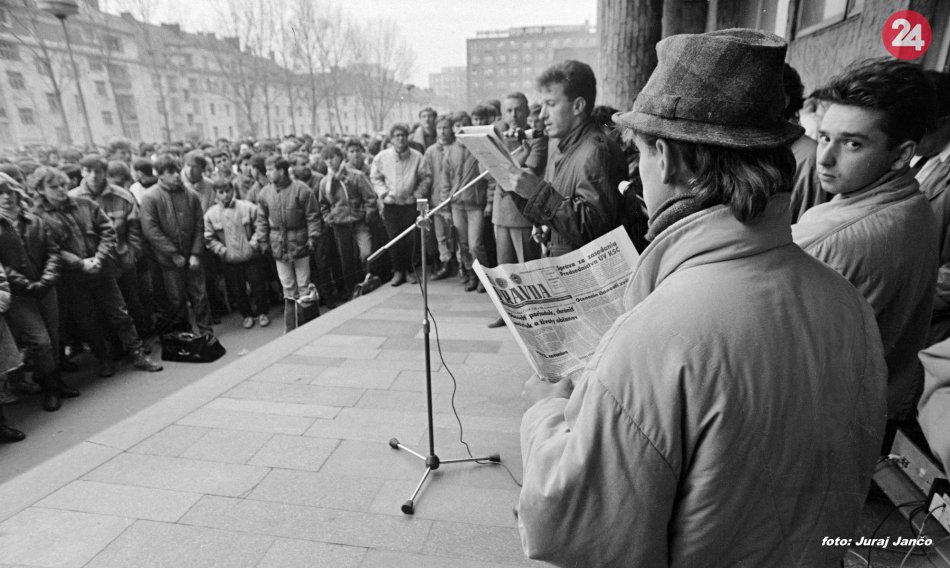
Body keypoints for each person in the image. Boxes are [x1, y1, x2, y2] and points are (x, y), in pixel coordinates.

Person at [517, 29, 886, 567]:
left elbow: (568, 525)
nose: (638, 177)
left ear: (665, 158)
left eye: (640, 156)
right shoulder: (847, 302)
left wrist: (543, 415)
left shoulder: (656, 336)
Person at [792, 58, 938, 433]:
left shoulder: (833, 238)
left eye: (852, 144)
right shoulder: (914, 203)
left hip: (822, 423)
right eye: (824, 137)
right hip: (873, 410)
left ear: (901, 155)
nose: (825, 158)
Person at [32, 167, 162, 377]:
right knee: (87, 321)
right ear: (40, 190)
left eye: (63, 185)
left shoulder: (85, 204)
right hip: (73, 278)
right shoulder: (38, 217)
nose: (61, 190)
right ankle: (104, 359)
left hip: (102, 270)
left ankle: (138, 353)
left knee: (120, 313)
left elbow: (107, 231)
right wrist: (79, 263)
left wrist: (100, 257)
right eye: (53, 187)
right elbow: (50, 248)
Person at [500, 60, 627, 257]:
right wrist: (547, 227)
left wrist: (536, 193)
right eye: (542, 105)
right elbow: (565, 213)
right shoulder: (564, 148)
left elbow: (597, 232)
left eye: (550, 104)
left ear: (578, 106)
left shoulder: (596, 151)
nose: (542, 115)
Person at [0, 180, 77, 411]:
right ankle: (49, 388)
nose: (6, 197)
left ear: (17, 193)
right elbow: (3, 267)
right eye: (0, 193)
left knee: (53, 336)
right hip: (20, 296)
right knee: (40, 341)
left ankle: (58, 382)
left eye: (9, 192)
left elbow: (52, 251)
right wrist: (26, 284)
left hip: (45, 289)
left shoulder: (35, 221)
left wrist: (47, 278)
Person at [140, 154, 214, 335]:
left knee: (200, 295)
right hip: (169, 261)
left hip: (192, 256)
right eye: (170, 172)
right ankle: (186, 334)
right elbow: (151, 230)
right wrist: (173, 253)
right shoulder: (151, 197)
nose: (176, 175)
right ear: (160, 175)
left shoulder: (191, 195)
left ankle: (206, 332)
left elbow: (199, 225)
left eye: (177, 171)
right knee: (177, 299)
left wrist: (195, 253)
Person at [257, 155, 323, 331]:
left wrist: (313, 237)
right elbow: (261, 219)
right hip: (278, 245)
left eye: (270, 169)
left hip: (300, 243)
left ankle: (308, 323)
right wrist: (263, 240)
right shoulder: (265, 193)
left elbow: (313, 216)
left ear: (281, 171)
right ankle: (292, 325)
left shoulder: (302, 190)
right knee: (287, 285)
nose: (267, 173)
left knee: (303, 283)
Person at [203, 179, 269, 329]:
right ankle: (247, 315)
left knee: (258, 284)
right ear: (216, 194)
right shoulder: (211, 215)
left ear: (233, 190)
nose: (225, 195)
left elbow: (260, 225)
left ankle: (262, 312)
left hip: (251, 255)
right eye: (221, 192)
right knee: (237, 289)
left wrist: (253, 244)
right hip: (230, 259)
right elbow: (208, 237)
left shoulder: (247, 207)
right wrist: (222, 250)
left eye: (228, 191)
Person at [370, 123, 429, 287]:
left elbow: (426, 178)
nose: (401, 139)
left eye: (403, 135)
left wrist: (416, 195)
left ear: (408, 137)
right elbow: (375, 177)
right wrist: (384, 194)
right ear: (391, 139)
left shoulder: (417, 157)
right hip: (391, 205)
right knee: (394, 238)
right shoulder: (382, 157)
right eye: (397, 136)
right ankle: (398, 271)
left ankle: (410, 270)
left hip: (410, 204)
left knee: (411, 238)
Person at [915, 71, 950, 345]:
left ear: (945, 123)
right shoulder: (923, 155)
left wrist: (908, 296)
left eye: (919, 127)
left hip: (927, 323)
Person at [318, 146, 377, 296]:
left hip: (359, 221)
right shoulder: (325, 182)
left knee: (366, 252)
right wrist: (329, 217)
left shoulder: (356, 176)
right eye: (326, 159)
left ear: (340, 157)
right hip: (340, 224)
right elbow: (323, 204)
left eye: (332, 157)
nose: (329, 161)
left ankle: (369, 279)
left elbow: (370, 197)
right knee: (346, 258)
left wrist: (368, 214)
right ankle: (352, 288)